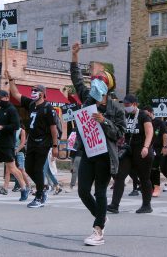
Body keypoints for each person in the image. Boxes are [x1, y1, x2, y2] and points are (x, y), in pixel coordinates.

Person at [71, 43, 125, 246]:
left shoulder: (115, 109)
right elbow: (76, 78)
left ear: (107, 86)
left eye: (99, 80)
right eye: (93, 80)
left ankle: (98, 231)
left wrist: (105, 121)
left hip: (104, 155)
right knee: (83, 191)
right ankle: (101, 217)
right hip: (88, 152)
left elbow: (120, 134)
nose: (94, 83)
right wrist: (74, 55)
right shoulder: (87, 98)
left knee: (99, 192)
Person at [6, 72, 59, 208]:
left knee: (38, 168)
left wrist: (55, 146)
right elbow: (16, 94)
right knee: (29, 168)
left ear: (42, 93)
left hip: (44, 142)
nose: (32, 92)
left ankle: (39, 196)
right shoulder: (31, 104)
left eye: (35, 90)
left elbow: (53, 128)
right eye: (32, 90)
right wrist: (11, 79)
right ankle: (42, 188)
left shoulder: (48, 108)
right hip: (32, 141)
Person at [107, 94, 154, 214]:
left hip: (141, 149)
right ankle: (114, 205)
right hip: (128, 150)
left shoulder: (143, 115)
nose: (126, 106)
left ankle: (146, 205)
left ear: (135, 104)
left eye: (128, 104)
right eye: (125, 104)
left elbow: (149, 133)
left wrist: (146, 147)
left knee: (144, 178)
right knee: (119, 176)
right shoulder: (125, 115)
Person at [0, 122, 31, 194]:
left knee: (21, 169)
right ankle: (5, 188)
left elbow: (22, 143)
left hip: (19, 152)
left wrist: (16, 150)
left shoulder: (22, 131)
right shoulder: (11, 130)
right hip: (10, 152)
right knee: (8, 171)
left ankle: (28, 186)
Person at [142, 106, 167, 197]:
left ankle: (157, 187)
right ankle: (150, 187)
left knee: (155, 168)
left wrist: (165, 146)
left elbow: (165, 134)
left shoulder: (159, 122)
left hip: (157, 148)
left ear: (151, 112)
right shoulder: (145, 121)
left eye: (146, 113)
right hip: (147, 147)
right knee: (147, 169)